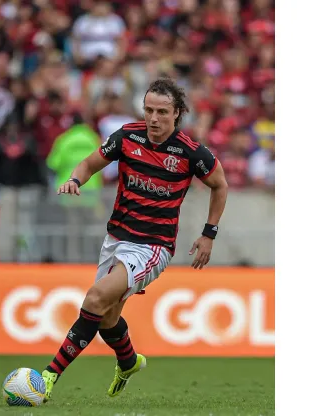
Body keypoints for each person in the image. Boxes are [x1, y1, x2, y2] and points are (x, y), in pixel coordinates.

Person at [40, 78, 229, 402]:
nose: (154, 118)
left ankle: (47, 378)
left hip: (153, 246)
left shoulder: (190, 152)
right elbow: (89, 163)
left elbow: (220, 184)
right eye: (149, 110)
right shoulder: (128, 136)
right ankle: (128, 361)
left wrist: (208, 234)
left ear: (177, 113)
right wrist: (75, 179)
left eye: (162, 112)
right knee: (107, 317)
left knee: (96, 298)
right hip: (116, 236)